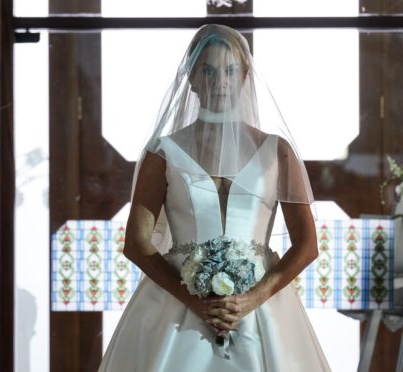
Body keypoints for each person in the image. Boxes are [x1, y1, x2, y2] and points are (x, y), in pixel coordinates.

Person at [98, 24, 332, 371]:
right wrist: (194, 301)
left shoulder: (277, 152)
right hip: (178, 306)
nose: (219, 81)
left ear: (244, 77)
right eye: (207, 70)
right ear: (191, 78)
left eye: (229, 70)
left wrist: (252, 299)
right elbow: (136, 242)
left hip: (261, 310)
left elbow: (307, 245)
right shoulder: (163, 153)